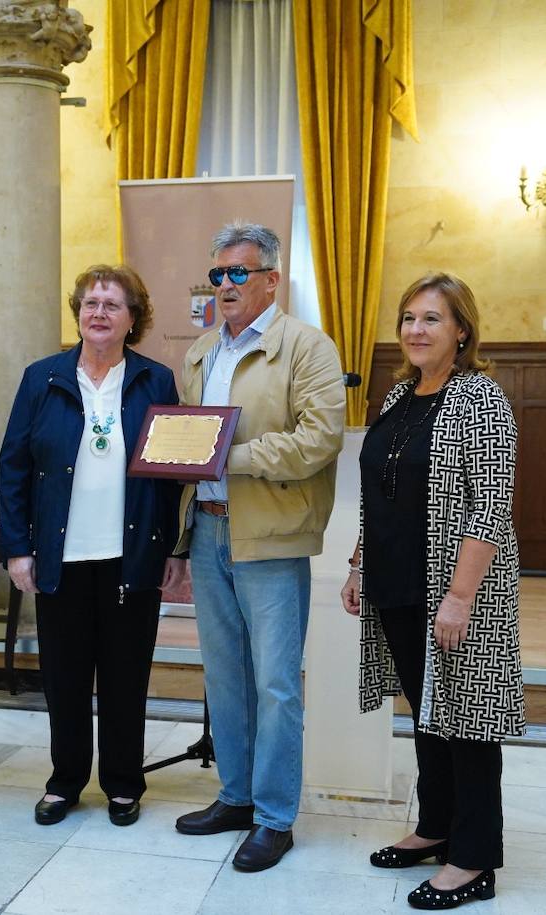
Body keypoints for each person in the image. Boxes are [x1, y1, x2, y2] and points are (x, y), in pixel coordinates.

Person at [341, 272, 524, 909]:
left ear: (462, 330)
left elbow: (491, 508)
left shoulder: (482, 399)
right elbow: (379, 494)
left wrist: (460, 596)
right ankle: (436, 826)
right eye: (408, 319)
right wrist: (361, 562)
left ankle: (473, 859)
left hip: (458, 589)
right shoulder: (396, 399)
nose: (415, 330)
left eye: (431, 319)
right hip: (395, 582)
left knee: (469, 722)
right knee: (428, 716)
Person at [172, 221, 345, 871]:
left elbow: (318, 439)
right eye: (216, 274)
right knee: (225, 677)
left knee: (275, 684)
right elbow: (184, 440)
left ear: (272, 278)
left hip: (271, 535)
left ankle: (274, 815)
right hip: (209, 529)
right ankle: (236, 796)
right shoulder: (199, 353)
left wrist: (229, 456)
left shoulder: (307, 347)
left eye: (237, 272)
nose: (224, 285)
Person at [0, 264, 186, 827]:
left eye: (112, 304)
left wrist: (171, 549)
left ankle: (125, 782)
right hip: (61, 557)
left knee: (127, 675)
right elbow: (13, 469)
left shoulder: (156, 380)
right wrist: (18, 547)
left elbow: (172, 473)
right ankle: (65, 780)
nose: (98, 313)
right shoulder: (42, 378)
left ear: (133, 319)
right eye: (89, 303)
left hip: (132, 555)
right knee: (65, 676)